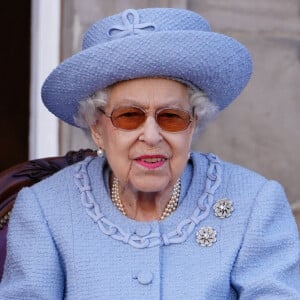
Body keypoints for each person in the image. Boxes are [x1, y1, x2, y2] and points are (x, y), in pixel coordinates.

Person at [0, 7, 299, 299]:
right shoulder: (44, 210)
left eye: (171, 117)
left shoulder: (255, 204)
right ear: (96, 127)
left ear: (193, 124)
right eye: (129, 116)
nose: (152, 136)